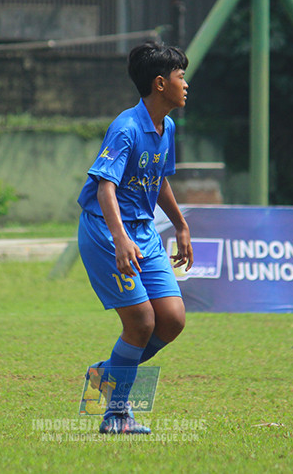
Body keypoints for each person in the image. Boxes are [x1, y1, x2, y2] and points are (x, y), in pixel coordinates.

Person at [77, 40, 194, 435]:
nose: (185, 84)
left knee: (172, 320)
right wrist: (120, 239)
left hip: (143, 231)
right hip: (107, 232)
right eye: (180, 76)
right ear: (160, 83)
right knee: (142, 322)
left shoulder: (167, 127)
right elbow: (104, 188)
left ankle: (106, 374)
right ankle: (116, 416)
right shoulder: (126, 128)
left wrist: (180, 225)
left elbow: (157, 180)